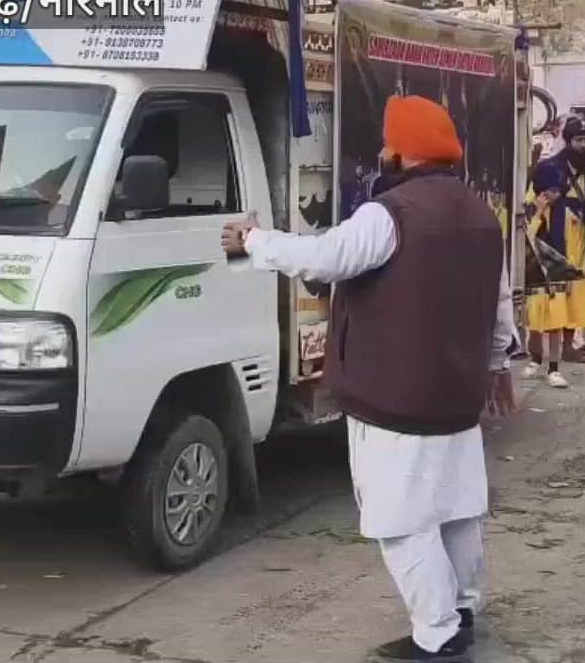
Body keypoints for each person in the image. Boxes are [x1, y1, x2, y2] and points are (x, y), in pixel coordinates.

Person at [221, 95, 518, 663]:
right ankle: (464, 612)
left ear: (403, 152)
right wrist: (498, 366)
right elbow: (500, 305)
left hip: (395, 398)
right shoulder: (481, 214)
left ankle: (439, 633)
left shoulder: (388, 214)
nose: (382, 151)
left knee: (400, 520)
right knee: (455, 509)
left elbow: (323, 259)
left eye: (388, 143)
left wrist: (254, 240)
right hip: (456, 398)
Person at [522, 118, 585, 382]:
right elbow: (530, 204)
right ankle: (538, 358)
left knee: (576, 292)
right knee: (547, 301)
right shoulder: (549, 167)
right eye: (578, 140)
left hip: (580, 237)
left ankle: (569, 345)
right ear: (568, 141)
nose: (583, 145)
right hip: (553, 239)